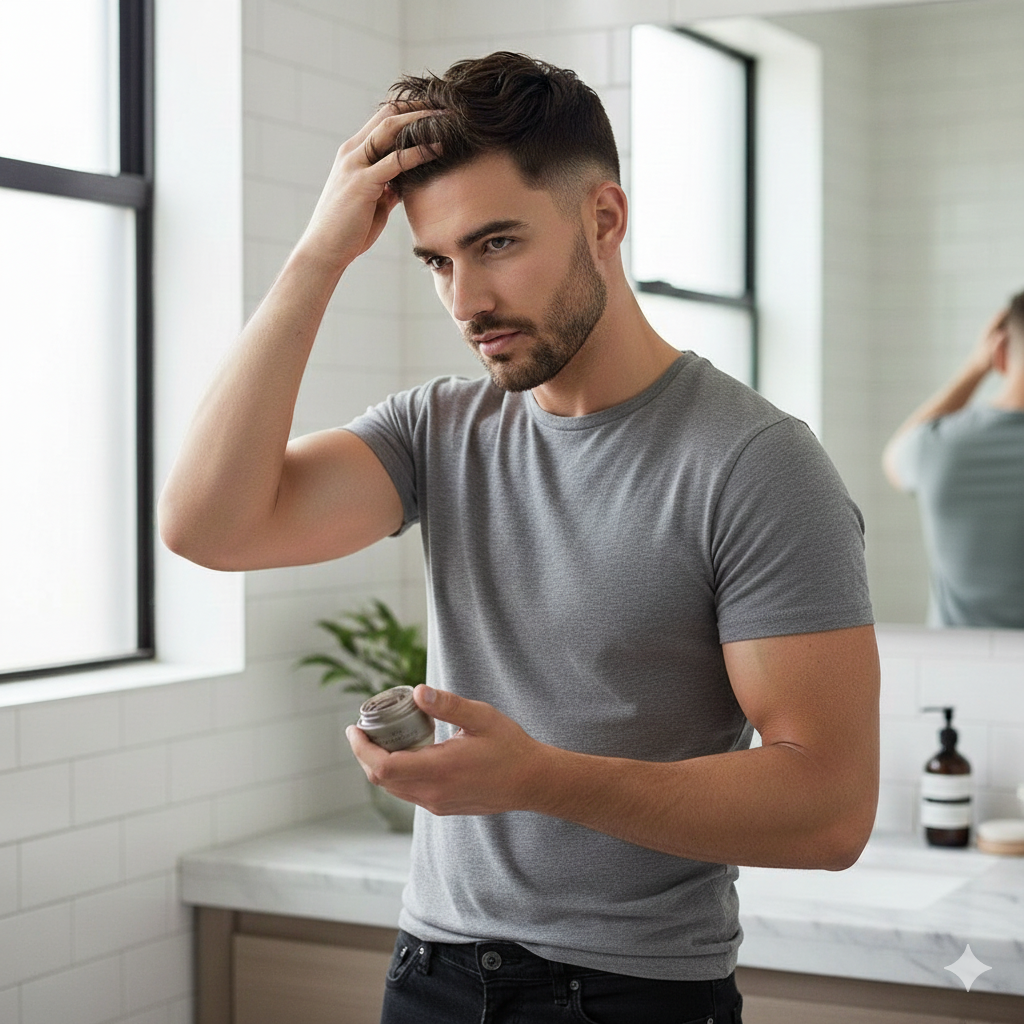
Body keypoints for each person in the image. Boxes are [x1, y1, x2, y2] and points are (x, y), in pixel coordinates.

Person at [160, 52, 879, 1024]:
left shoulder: (754, 463)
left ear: (604, 220)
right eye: (438, 260)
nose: (465, 302)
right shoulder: (438, 430)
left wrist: (538, 778)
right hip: (428, 971)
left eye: (496, 243)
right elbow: (208, 522)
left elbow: (829, 810)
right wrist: (317, 255)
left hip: (631, 995)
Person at [883, 295, 1024, 629]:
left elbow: (893, 457)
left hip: (955, 669)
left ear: (1000, 349)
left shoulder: (935, 445)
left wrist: (975, 366)